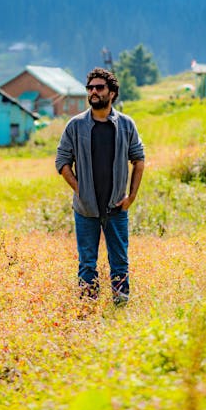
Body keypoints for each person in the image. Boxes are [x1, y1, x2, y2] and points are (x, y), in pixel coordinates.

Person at [55, 67, 145, 305]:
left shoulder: (126, 125)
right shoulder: (75, 126)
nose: (93, 92)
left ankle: (121, 307)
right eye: (90, 88)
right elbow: (62, 161)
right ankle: (87, 307)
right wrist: (80, 189)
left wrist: (132, 196)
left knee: (119, 262)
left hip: (116, 208)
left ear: (112, 93)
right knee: (87, 263)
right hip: (86, 210)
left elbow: (139, 159)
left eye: (99, 87)